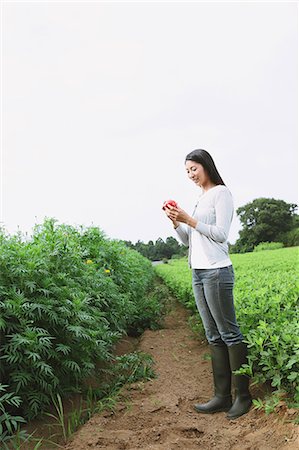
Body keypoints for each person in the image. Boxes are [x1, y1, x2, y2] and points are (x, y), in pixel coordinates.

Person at [163, 149, 252, 420]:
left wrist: (190, 219)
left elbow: (221, 235)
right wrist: (177, 224)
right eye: (187, 171)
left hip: (216, 272)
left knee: (229, 333)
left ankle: (243, 397)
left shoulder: (221, 194)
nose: (191, 175)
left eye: (194, 169)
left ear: (206, 166)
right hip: (198, 273)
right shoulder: (200, 199)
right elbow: (189, 240)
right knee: (213, 335)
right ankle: (222, 397)